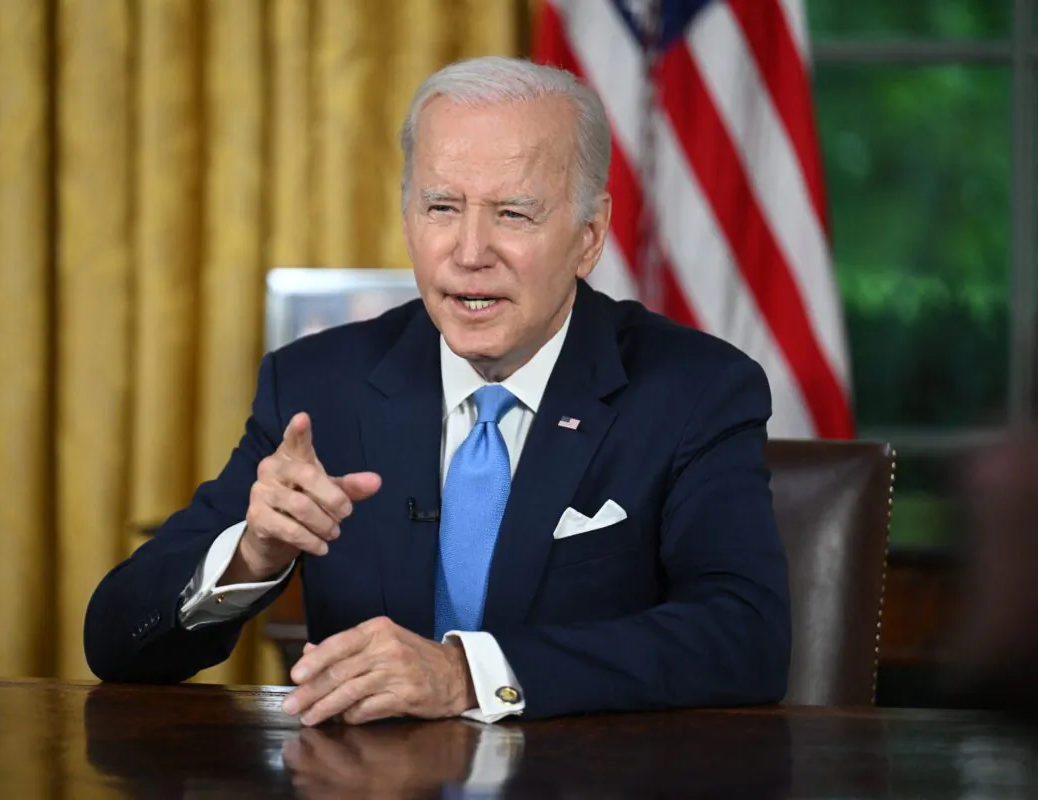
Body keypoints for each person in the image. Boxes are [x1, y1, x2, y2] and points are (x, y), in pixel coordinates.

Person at [84, 56, 791, 724]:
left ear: (589, 235)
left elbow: (744, 637)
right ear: (406, 218)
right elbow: (115, 641)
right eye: (442, 208)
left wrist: (467, 674)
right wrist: (251, 556)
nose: (470, 251)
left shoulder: (695, 390)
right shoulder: (318, 386)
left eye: (513, 213)